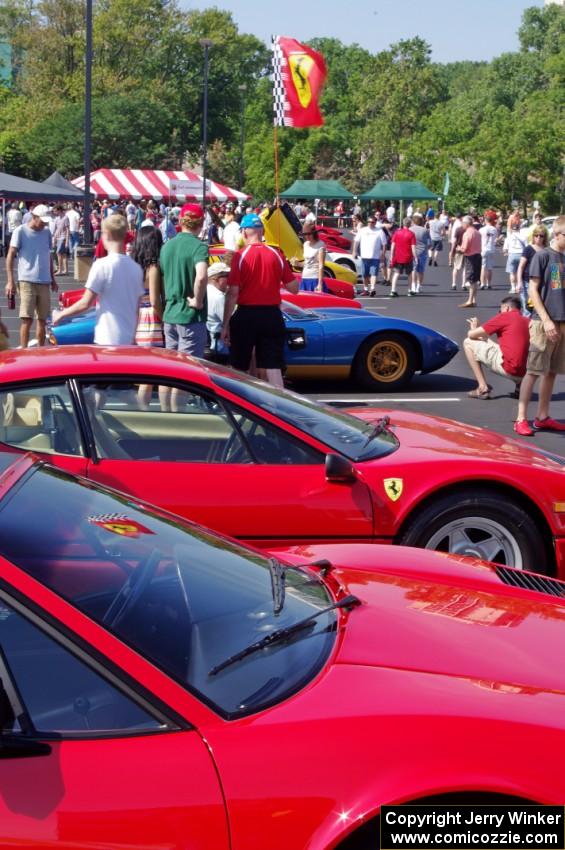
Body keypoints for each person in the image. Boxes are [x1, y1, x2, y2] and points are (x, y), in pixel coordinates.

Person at [221, 212, 298, 388]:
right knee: (272, 365)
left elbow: (233, 293)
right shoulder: (276, 254)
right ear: (261, 231)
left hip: (246, 314)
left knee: (239, 365)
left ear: (245, 232)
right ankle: (278, 405)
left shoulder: (240, 256)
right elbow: (294, 288)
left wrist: (225, 325)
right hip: (272, 315)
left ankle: (239, 405)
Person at [52, 214, 144, 345]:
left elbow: (86, 303)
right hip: (128, 338)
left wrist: (61, 314)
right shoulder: (136, 268)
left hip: (107, 337)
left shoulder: (101, 265)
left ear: (107, 235)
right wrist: (133, 336)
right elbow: (136, 309)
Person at [514, 215, 565, 436]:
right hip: (543, 322)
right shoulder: (542, 256)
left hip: (562, 322)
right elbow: (533, 289)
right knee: (533, 371)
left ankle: (542, 416)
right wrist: (545, 320)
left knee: (552, 372)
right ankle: (521, 418)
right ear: (558, 234)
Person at [159, 202, 208, 365]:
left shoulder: (167, 246)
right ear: (201, 223)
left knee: (170, 370)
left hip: (170, 314)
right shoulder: (199, 247)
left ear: (180, 221)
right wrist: (198, 301)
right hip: (190, 317)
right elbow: (201, 276)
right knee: (189, 371)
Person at [5, 204, 58, 348]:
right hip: (27, 280)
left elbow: (48, 255)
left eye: (46, 222)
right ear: (34, 217)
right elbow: (10, 255)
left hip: (44, 281)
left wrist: (52, 279)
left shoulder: (46, 232)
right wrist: (10, 281)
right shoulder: (20, 231)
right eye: (42, 221)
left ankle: (40, 352)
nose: (44, 224)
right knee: (27, 320)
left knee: (42, 320)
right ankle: (23, 352)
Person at [463, 296, 529, 399]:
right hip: (526, 373)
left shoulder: (505, 316)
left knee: (468, 342)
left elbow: (471, 335)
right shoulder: (528, 321)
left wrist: (474, 328)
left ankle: (482, 388)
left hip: (510, 368)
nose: (499, 312)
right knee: (516, 349)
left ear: (506, 308)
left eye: (500, 310)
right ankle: (520, 387)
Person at [516, 226, 548, 316]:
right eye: (536, 235)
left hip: (543, 283)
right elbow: (521, 267)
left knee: (539, 308)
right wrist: (519, 283)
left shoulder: (547, 250)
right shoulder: (528, 249)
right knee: (527, 308)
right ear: (533, 236)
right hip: (527, 282)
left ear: (544, 237)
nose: (538, 238)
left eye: (541, 236)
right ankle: (525, 328)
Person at [354, 215, 386, 296]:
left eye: (372, 222)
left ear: (375, 223)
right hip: (364, 256)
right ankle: (365, 289)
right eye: (368, 222)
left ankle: (372, 289)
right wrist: (354, 251)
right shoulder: (362, 230)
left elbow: (384, 244)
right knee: (365, 274)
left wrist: (382, 254)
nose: (370, 224)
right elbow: (356, 241)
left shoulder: (380, 231)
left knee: (373, 274)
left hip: (375, 257)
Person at [206, 262, 230, 363]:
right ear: (215, 278)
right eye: (226, 276)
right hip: (221, 348)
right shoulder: (218, 297)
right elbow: (230, 321)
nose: (229, 279)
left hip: (212, 344)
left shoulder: (206, 291)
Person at [457, 216, 482, 308]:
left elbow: (464, 248)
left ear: (466, 224)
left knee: (471, 280)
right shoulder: (477, 232)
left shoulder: (467, 233)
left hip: (470, 257)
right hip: (478, 256)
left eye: (463, 223)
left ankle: (470, 300)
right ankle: (474, 300)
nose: (462, 225)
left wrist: (459, 249)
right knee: (475, 279)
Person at [389, 218, 416, 298]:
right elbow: (413, 247)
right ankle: (409, 290)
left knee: (396, 273)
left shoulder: (397, 233)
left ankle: (393, 290)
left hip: (398, 256)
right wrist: (415, 256)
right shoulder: (411, 234)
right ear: (410, 224)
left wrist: (391, 256)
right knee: (409, 274)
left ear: (403, 224)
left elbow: (393, 246)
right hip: (408, 257)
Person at [298, 223, 326, 292]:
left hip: (315, 279)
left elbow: (321, 265)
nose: (307, 236)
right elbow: (307, 263)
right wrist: (297, 263)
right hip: (304, 278)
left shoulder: (321, 244)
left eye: (309, 234)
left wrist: (320, 283)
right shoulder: (305, 244)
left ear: (314, 233)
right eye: (305, 234)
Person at [410, 212, 431, 295]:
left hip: (412, 251)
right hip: (422, 252)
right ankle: (419, 285)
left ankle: (413, 285)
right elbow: (429, 243)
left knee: (413, 269)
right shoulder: (425, 230)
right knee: (421, 270)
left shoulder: (410, 229)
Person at [503, 221, 527, 294]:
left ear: (511, 229)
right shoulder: (523, 237)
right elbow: (527, 247)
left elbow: (505, 249)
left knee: (512, 272)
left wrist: (506, 253)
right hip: (521, 254)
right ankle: (520, 286)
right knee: (521, 271)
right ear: (519, 228)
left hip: (512, 254)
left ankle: (513, 287)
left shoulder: (508, 237)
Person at [479, 213, 498, 290]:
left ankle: (482, 283)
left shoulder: (481, 229)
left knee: (483, 267)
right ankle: (489, 283)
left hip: (483, 249)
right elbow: (495, 239)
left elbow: (479, 239)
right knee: (489, 267)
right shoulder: (494, 229)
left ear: (486, 220)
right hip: (491, 249)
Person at [52, 205, 70, 275]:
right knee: (64, 254)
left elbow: (68, 230)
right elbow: (55, 229)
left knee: (58, 253)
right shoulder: (57, 219)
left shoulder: (65, 218)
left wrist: (67, 241)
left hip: (63, 237)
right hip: (58, 237)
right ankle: (66, 270)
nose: (54, 212)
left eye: (55, 210)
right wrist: (54, 239)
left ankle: (60, 270)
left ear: (59, 210)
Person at [449, 212, 464, 290]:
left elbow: (454, 240)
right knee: (464, 268)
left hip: (458, 249)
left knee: (456, 267)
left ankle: (454, 283)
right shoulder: (466, 230)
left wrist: (452, 250)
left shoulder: (457, 227)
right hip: (465, 250)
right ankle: (463, 284)